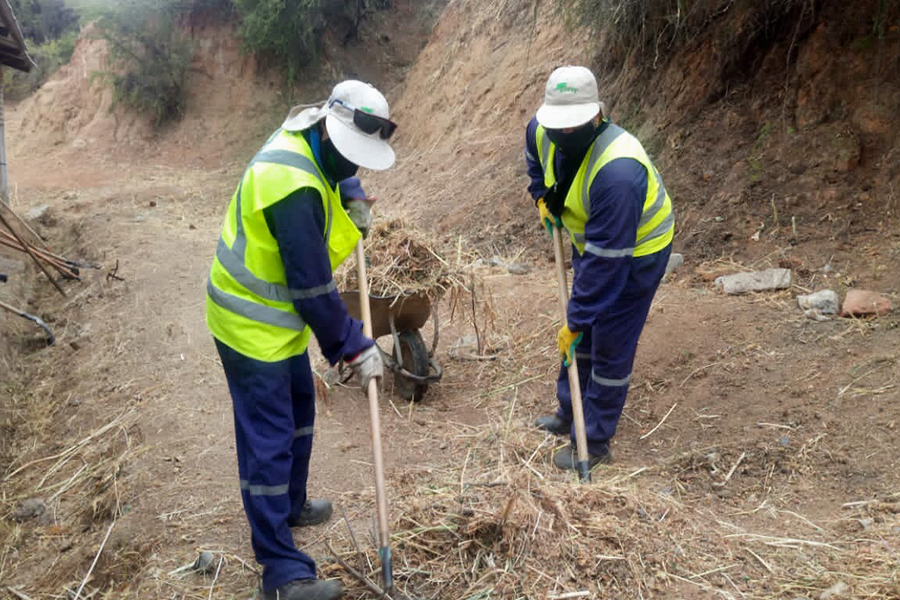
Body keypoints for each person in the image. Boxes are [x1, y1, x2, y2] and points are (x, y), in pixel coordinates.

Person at [205, 80, 397, 600]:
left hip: (277, 321)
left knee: (299, 412)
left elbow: (332, 176)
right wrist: (356, 346)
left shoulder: (311, 134)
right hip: (248, 323)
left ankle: (289, 506)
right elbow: (313, 290)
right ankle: (282, 571)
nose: (353, 166)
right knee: (268, 438)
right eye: (350, 160)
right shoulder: (289, 184)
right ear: (328, 134)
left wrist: (351, 191)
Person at [524, 66, 674, 471]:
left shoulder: (618, 173)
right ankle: (568, 412)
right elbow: (535, 165)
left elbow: (607, 266)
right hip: (596, 245)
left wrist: (575, 321)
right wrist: (542, 199)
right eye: (558, 127)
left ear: (596, 116)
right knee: (582, 331)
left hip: (638, 252)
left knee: (607, 342)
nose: (563, 135)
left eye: (574, 127)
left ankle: (594, 440)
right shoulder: (540, 129)